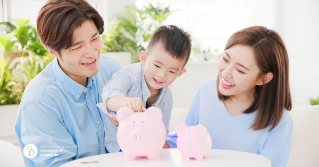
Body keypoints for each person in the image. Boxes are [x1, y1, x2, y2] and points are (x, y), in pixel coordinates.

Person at [166, 26, 293, 167]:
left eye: (240, 70)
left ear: (263, 79)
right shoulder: (206, 90)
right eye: (225, 59)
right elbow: (184, 139)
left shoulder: (280, 121)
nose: (226, 73)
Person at [14, 0, 122, 166]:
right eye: (77, 47)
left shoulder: (111, 70)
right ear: (52, 50)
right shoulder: (40, 101)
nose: (92, 53)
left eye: (95, 38)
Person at [97, 25, 192, 153]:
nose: (162, 75)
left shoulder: (166, 97)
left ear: (180, 73)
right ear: (144, 58)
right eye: (157, 65)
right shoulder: (129, 76)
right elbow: (107, 99)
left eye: (171, 71)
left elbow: (161, 133)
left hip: (144, 151)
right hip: (115, 149)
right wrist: (126, 103)